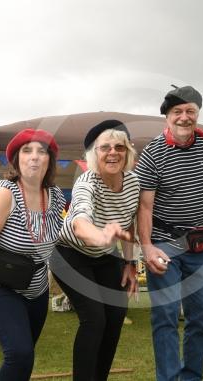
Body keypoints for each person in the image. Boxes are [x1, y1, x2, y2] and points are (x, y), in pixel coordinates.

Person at [135, 85, 203, 381]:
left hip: (202, 244)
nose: (184, 117)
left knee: (201, 318)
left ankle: (191, 377)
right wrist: (147, 246)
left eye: (191, 111)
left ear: (197, 115)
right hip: (165, 243)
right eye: (178, 111)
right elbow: (145, 206)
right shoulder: (152, 152)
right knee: (164, 316)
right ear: (167, 116)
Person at [0, 129, 65, 381]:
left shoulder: (56, 197)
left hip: (36, 289)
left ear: (49, 160)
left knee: (25, 357)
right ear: (17, 159)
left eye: (42, 152)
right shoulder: (4, 194)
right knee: (19, 354)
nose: (34, 157)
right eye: (27, 151)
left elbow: (61, 237)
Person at [50, 119, 139, 381]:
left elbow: (131, 221)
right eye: (105, 148)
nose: (113, 152)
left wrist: (130, 263)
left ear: (127, 152)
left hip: (105, 255)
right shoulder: (86, 182)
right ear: (94, 154)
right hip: (68, 253)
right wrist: (101, 235)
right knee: (94, 319)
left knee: (116, 315)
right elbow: (79, 222)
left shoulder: (134, 183)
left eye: (119, 147)